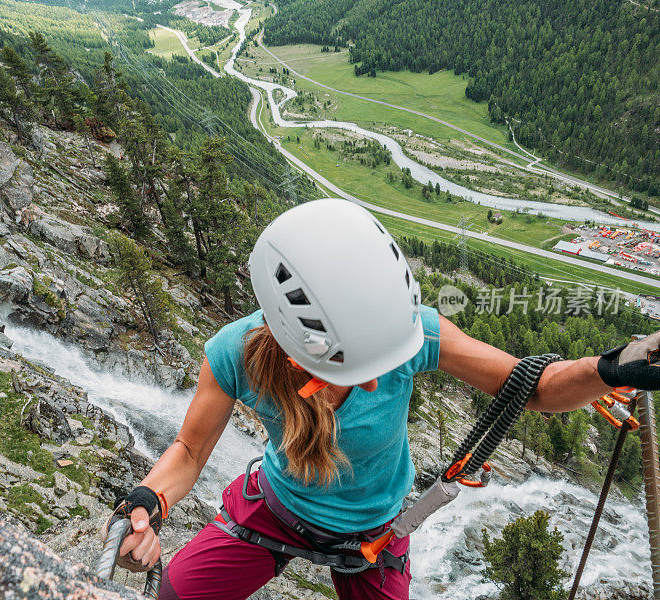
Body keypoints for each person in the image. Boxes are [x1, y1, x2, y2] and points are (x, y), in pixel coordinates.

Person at [101, 199, 660, 600]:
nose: (375, 383)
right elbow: (190, 453)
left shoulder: (407, 330)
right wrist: (146, 503)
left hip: (376, 530)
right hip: (278, 509)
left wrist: (607, 368)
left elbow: (531, 388)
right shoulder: (235, 355)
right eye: (351, 368)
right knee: (177, 593)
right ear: (298, 350)